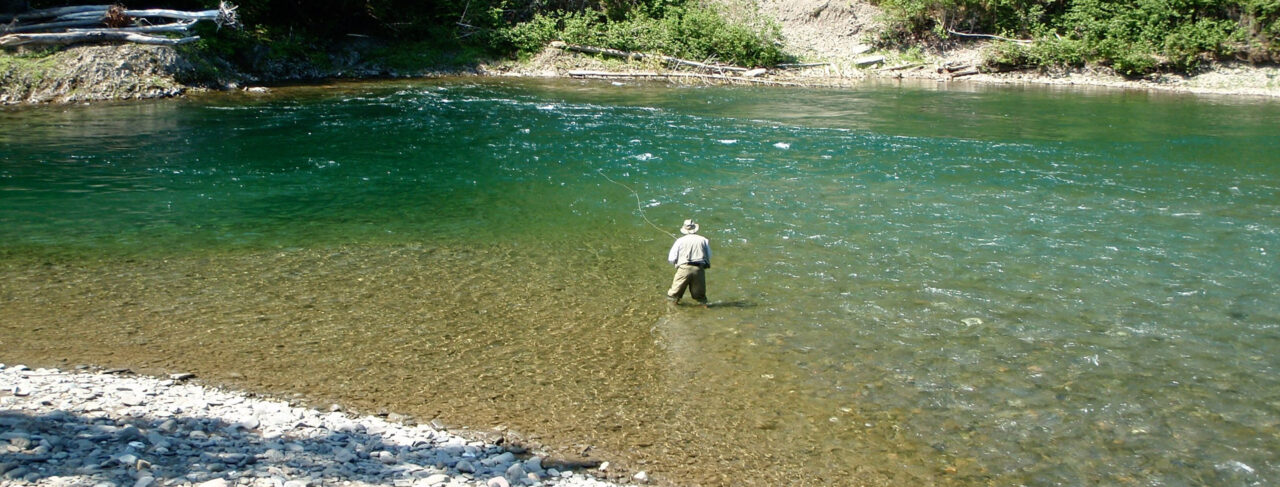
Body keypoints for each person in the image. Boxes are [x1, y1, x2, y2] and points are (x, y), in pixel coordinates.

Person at [666, 219, 711, 306]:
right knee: (700, 297)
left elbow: (671, 258)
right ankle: (703, 312)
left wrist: (677, 264)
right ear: (695, 229)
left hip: (683, 268)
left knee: (674, 296)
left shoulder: (679, 241)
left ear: (684, 229)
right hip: (699, 269)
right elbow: (709, 255)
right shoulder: (704, 240)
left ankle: (672, 313)